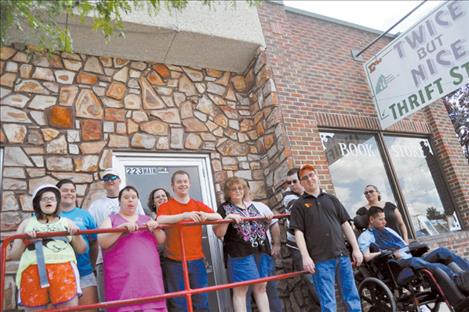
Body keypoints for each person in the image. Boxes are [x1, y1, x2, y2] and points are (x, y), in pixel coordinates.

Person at [290, 164, 363, 312]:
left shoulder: (332, 199)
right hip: (320, 260)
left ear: (317, 176)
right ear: (302, 183)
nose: (310, 179)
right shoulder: (299, 205)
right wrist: (305, 257)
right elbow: (298, 233)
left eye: (311, 175)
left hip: (342, 256)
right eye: (305, 178)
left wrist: (356, 249)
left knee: (352, 297)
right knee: (328, 303)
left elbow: (346, 224)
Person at [6, 184, 86, 310]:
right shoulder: (26, 223)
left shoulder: (67, 222)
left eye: (52, 198)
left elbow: (82, 250)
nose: (48, 201)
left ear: (57, 203)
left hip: (63, 269)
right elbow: (14, 255)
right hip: (32, 270)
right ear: (38, 203)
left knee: (68, 308)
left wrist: (77, 235)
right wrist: (24, 240)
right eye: (44, 198)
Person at [358, 206, 469, 293]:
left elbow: (403, 245)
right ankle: (457, 280)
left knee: (442, 252)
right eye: (381, 219)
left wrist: (415, 247)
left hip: (410, 257)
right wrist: (386, 252)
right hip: (397, 265)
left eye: (384, 219)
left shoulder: (389, 230)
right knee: (417, 261)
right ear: (371, 219)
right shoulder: (365, 236)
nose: (385, 222)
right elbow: (366, 257)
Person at [157, 170, 222, 312]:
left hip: (197, 260)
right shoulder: (166, 206)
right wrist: (184, 215)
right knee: (179, 305)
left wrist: (205, 215)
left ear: (190, 184)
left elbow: (218, 216)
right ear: (172, 185)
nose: (183, 184)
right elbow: (160, 220)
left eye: (185, 181)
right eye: (179, 182)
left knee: (201, 303)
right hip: (174, 261)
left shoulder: (198, 205)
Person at [98, 186, 167, 312]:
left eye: (133, 197)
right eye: (126, 197)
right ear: (119, 201)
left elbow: (162, 240)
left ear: (137, 201)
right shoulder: (111, 218)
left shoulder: (147, 219)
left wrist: (156, 228)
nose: (130, 200)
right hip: (123, 285)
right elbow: (102, 241)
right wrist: (120, 229)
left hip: (150, 282)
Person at [213, 177, 275, 312]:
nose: (237, 191)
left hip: (261, 249)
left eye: (240, 188)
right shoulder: (224, 208)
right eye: (233, 189)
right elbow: (218, 233)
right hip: (239, 252)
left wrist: (268, 220)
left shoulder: (252, 206)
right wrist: (227, 219)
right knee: (241, 289)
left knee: (261, 287)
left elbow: (261, 229)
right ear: (228, 192)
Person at [88, 168, 146, 303]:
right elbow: (90, 231)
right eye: (106, 178)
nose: (110, 181)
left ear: (119, 180)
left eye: (113, 178)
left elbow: (142, 222)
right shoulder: (96, 205)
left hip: (131, 257)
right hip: (105, 259)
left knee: (134, 299)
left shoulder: (133, 201)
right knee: (110, 301)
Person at [57, 179, 99, 311]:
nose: (69, 193)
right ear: (57, 194)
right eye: (65, 190)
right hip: (57, 273)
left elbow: (94, 242)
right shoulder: (48, 215)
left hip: (84, 272)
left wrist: (91, 266)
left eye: (72, 191)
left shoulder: (85, 215)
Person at [283, 168, 320, 309]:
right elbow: (308, 216)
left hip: (316, 243)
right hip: (298, 246)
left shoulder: (314, 194)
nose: (291, 185)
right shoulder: (288, 197)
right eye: (289, 182)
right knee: (311, 280)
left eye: (294, 181)